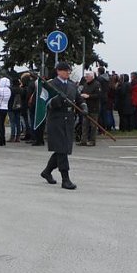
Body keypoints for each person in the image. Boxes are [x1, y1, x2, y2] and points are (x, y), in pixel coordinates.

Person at [40, 62, 87, 190]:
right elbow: (45, 103)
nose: (68, 72)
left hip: (69, 121)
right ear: (58, 71)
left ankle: (47, 171)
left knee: (63, 149)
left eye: (69, 70)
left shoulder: (71, 85)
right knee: (62, 150)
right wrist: (58, 100)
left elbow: (79, 98)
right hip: (56, 121)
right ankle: (65, 179)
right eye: (65, 70)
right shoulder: (51, 85)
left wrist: (83, 106)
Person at [79, 71, 102, 146]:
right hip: (86, 107)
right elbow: (82, 92)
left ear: (92, 77)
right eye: (85, 76)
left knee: (93, 126)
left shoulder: (97, 84)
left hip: (94, 108)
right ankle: (83, 140)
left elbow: (98, 95)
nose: (86, 78)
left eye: (87, 76)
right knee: (84, 125)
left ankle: (92, 141)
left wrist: (88, 96)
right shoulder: (85, 84)